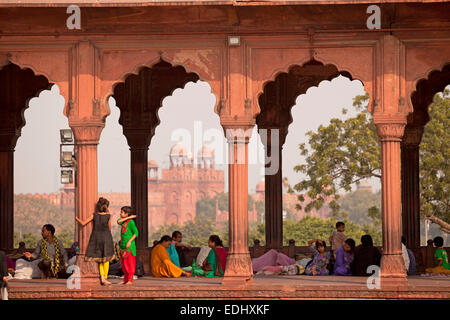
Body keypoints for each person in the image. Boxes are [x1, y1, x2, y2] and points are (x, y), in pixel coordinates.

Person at [75, 197, 115, 286]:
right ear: (106, 207)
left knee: (99, 259)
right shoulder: (108, 216)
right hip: (106, 237)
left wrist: (77, 218)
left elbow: (83, 223)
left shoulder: (94, 215)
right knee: (106, 259)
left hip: (96, 238)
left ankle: (102, 278)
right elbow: (109, 228)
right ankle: (105, 278)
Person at [117, 206, 138, 285]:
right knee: (124, 264)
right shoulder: (123, 221)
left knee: (130, 264)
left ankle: (130, 280)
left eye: (122, 212)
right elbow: (118, 221)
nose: (120, 213)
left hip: (130, 247)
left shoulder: (131, 222)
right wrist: (129, 217)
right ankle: (125, 279)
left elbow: (136, 233)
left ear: (127, 214)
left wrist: (130, 241)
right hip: (123, 246)